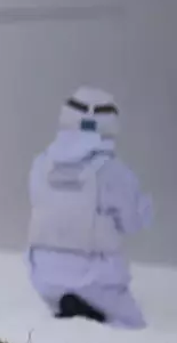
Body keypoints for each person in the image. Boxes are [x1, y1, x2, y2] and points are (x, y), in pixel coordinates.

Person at [26, 86, 154, 329]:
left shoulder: (41, 165)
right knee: (133, 328)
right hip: (98, 279)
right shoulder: (112, 171)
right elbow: (132, 222)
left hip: (44, 276)